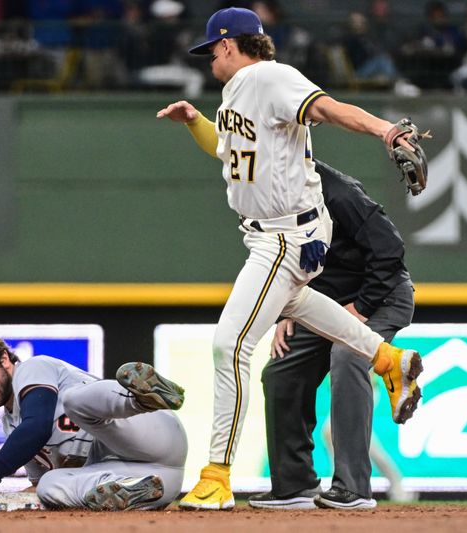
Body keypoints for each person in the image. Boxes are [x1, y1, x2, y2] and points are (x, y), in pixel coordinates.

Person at [156, 7, 424, 510]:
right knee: (301, 309)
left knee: (228, 347)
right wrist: (196, 123)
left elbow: (327, 108)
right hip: (268, 237)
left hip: (286, 235)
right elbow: (229, 152)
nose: (209, 59)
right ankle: (391, 362)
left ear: (230, 44)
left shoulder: (271, 77)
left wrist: (386, 130)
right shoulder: (238, 91)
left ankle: (216, 475)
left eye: (211, 49)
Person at [247, 160, 414, 510]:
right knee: (280, 371)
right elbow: (284, 260)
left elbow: (390, 251)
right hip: (324, 303)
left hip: (381, 297)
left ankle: (354, 489)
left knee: (349, 354)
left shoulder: (339, 192)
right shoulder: (272, 198)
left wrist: (360, 310)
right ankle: (294, 487)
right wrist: (285, 309)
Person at [0, 327, 188, 511]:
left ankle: (140, 398)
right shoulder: (11, 427)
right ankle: (134, 493)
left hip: (154, 432)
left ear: (3, 359)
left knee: (74, 401)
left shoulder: (33, 368)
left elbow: (37, 426)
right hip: (158, 480)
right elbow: (37, 489)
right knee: (48, 485)